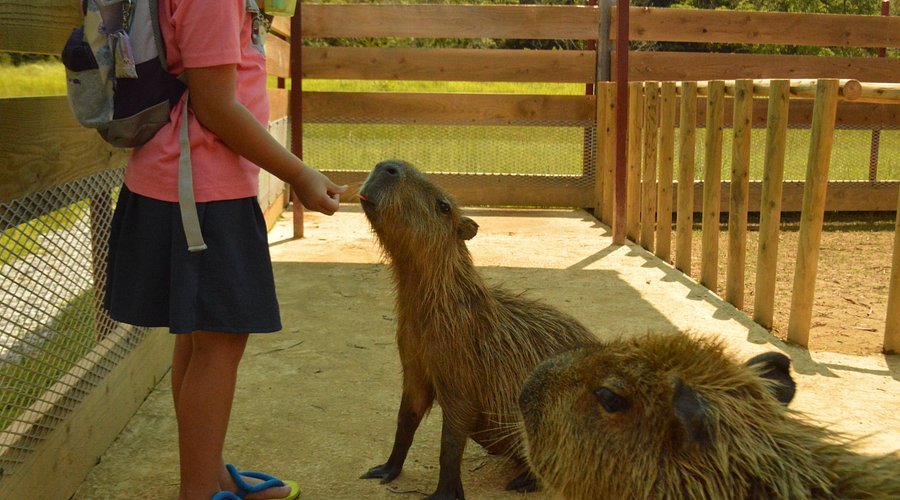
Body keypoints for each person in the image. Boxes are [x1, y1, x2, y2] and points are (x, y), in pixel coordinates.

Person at [102, 0, 346, 498]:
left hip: (191, 183)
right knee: (220, 343)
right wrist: (298, 173)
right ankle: (198, 492)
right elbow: (215, 106)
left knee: (200, 335)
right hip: (199, 191)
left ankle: (208, 474)